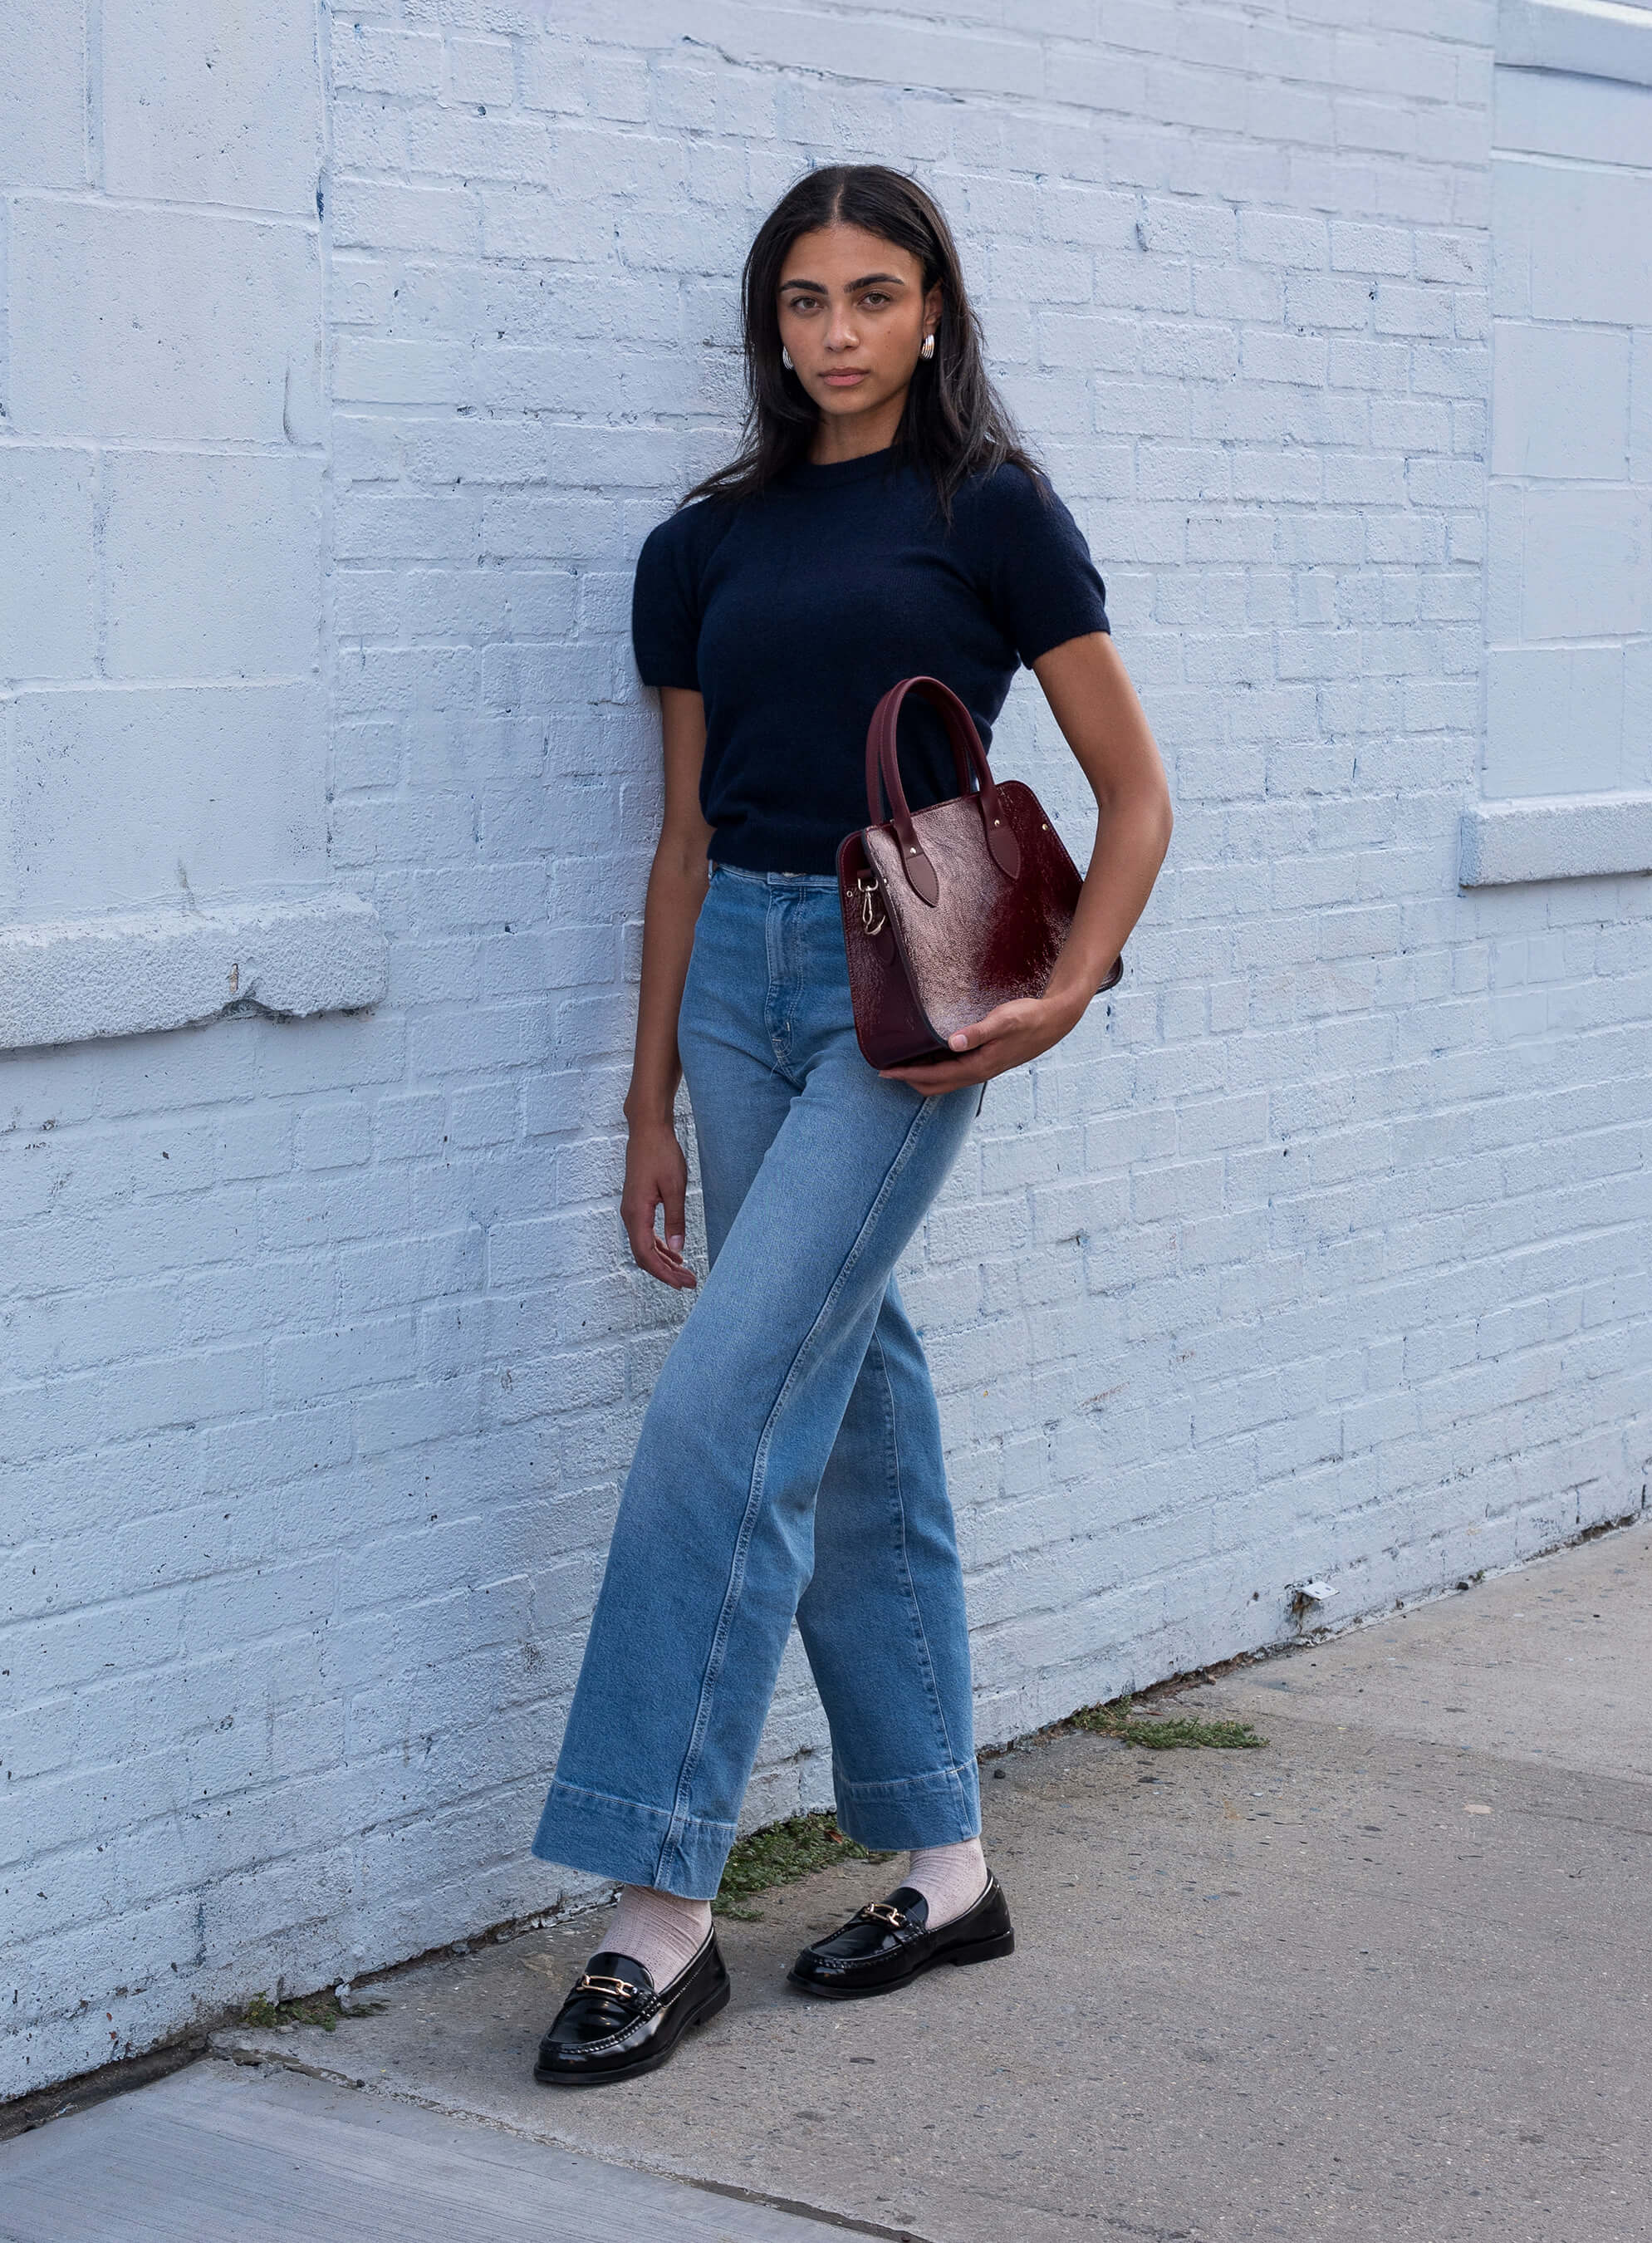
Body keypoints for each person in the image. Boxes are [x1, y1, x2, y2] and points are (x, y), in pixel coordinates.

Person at [529, 164, 1173, 2087]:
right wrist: (642, 1095)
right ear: (769, 325)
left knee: (722, 1404)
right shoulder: (700, 545)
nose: (834, 333)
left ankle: (656, 1903)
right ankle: (944, 1856)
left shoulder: (989, 511)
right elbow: (683, 839)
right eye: (803, 301)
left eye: (871, 296)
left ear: (930, 311)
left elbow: (1133, 792)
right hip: (735, 977)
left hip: (908, 996)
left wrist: (1064, 989)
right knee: (855, 1390)